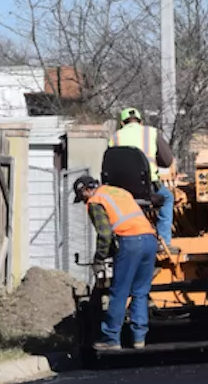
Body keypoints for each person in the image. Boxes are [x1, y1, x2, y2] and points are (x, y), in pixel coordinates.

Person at [73, 175, 158, 351]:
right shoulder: (119, 192)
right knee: (140, 292)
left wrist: (99, 258)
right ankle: (139, 339)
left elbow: (104, 234)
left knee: (119, 292)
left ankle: (111, 338)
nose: (83, 203)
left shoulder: (96, 201)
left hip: (130, 242)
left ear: (86, 190)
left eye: (82, 198)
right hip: (150, 240)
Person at [111, 107, 175, 247]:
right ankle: (163, 241)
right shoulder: (151, 133)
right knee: (168, 198)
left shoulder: (115, 137)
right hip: (148, 188)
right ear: (140, 121)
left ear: (122, 123)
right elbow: (167, 161)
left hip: (123, 191)